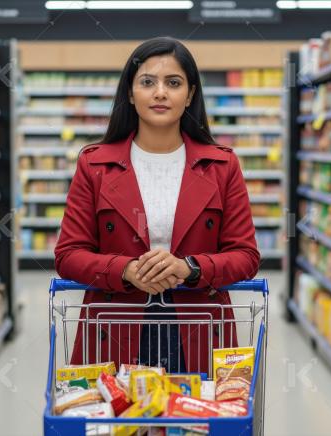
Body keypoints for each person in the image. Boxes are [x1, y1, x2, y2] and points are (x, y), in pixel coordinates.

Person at [54, 37, 260, 373]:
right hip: (116, 324)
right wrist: (126, 270)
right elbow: (68, 254)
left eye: (173, 83)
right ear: (131, 93)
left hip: (199, 328)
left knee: (194, 423)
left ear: (190, 94)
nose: (160, 92)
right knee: (122, 425)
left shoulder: (222, 166)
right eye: (148, 82)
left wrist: (190, 268)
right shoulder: (94, 165)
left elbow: (245, 255)